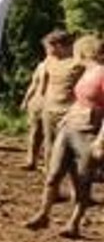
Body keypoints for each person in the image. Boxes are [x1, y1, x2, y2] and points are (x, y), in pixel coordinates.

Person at [25, 35, 104, 238]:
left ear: (84, 51)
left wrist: (100, 141)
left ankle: (74, 223)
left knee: (82, 179)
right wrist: (66, 118)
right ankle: (43, 213)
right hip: (69, 127)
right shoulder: (87, 72)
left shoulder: (102, 74)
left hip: (88, 131)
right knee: (53, 173)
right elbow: (79, 99)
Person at [36, 31, 83, 173]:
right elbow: (43, 84)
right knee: (49, 145)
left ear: (58, 46)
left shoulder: (78, 64)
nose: (46, 50)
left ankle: (77, 182)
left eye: (47, 47)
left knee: (71, 149)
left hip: (69, 113)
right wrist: (40, 102)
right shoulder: (49, 61)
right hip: (49, 111)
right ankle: (50, 177)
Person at [20, 33, 55, 170]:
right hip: (37, 103)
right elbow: (34, 84)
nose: (47, 50)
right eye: (46, 47)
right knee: (34, 132)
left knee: (50, 136)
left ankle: (48, 165)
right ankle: (31, 161)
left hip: (51, 103)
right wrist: (26, 100)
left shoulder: (63, 65)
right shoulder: (41, 65)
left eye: (48, 47)